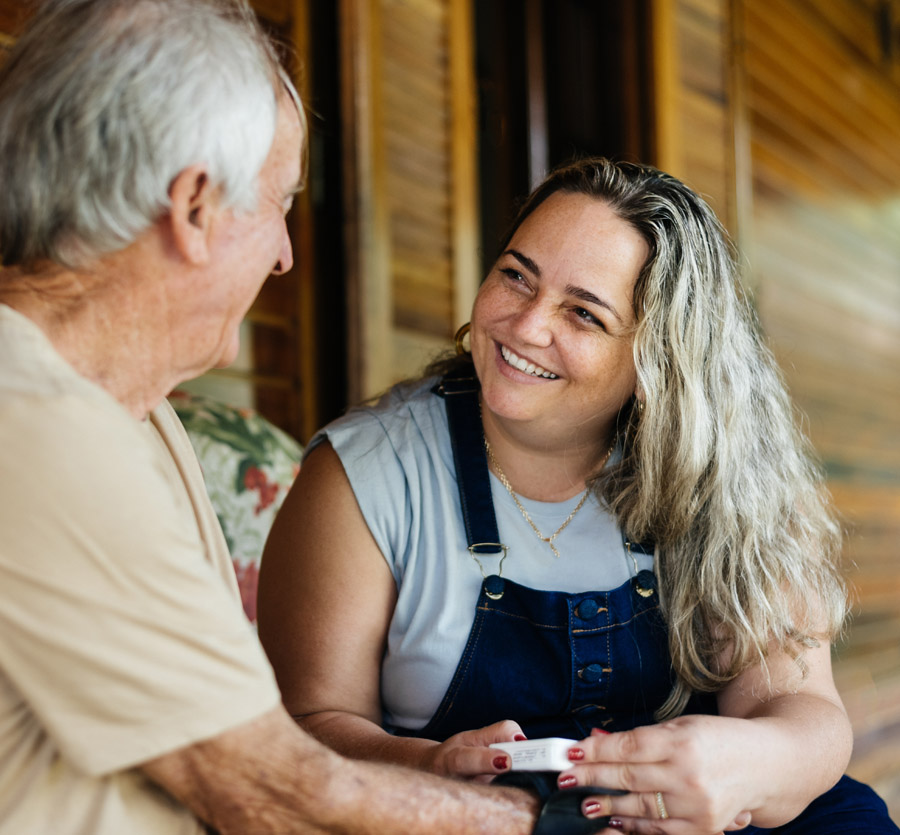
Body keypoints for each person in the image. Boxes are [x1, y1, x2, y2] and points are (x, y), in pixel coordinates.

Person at [0, 1, 556, 832]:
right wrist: (552, 822)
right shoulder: (36, 421)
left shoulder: (128, 415)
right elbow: (274, 792)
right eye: (277, 205)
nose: (286, 254)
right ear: (193, 206)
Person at [258, 157, 900, 833]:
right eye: (515, 275)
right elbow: (303, 729)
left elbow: (806, 711)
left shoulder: (732, 476)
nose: (527, 326)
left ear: (659, 359)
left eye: (584, 314)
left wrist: (751, 759)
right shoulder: (365, 475)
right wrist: (427, 769)